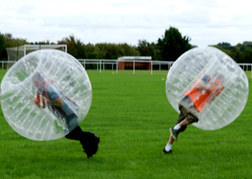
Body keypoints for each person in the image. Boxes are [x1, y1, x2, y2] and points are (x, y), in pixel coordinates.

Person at [31, 71, 100, 158]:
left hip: (69, 111)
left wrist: (48, 102)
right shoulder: (41, 89)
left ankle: (93, 137)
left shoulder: (49, 88)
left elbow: (60, 103)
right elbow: (44, 105)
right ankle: (89, 150)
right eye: (34, 83)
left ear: (42, 80)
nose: (35, 84)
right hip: (66, 113)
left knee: (69, 134)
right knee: (77, 132)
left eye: (36, 82)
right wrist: (38, 103)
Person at [163, 72, 225, 154]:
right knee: (194, 117)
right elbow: (199, 84)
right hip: (187, 100)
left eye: (221, 83)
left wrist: (215, 91)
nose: (219, 84)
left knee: (180, 127)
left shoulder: (215, 89)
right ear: (215, 78)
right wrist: (209, 87)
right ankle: (175, 128)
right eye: (219, 81)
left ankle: (167, 149)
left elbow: (209, 100)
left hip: (193, 106)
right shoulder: (208, 78)